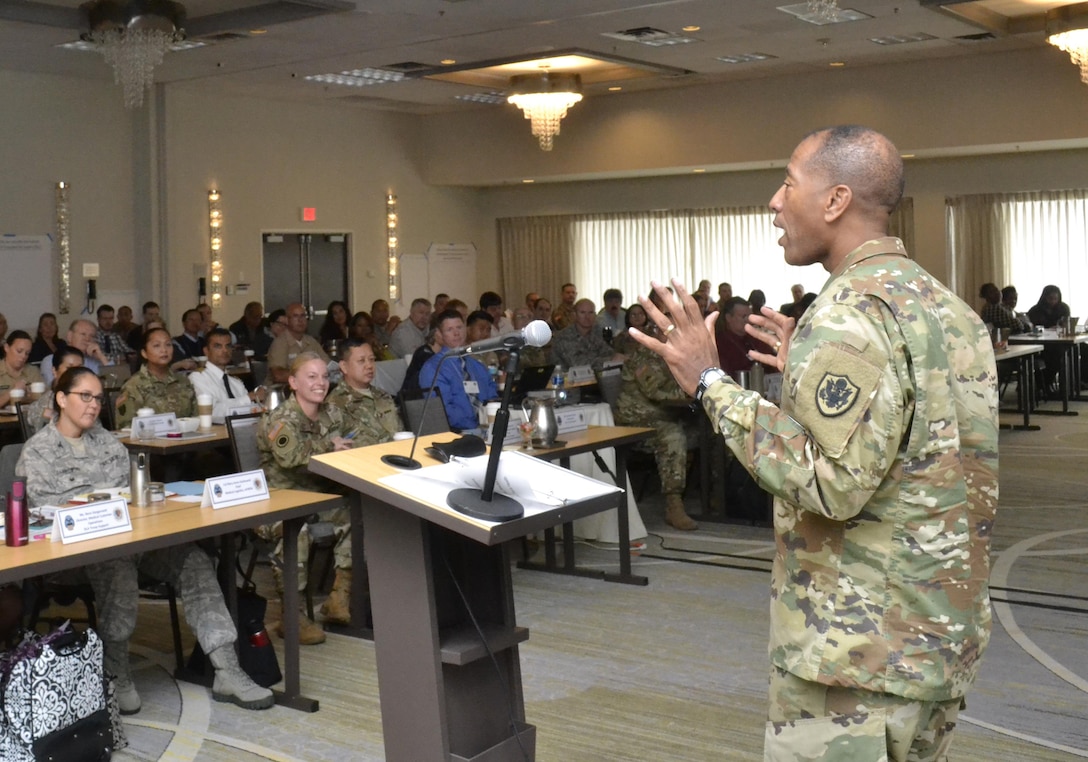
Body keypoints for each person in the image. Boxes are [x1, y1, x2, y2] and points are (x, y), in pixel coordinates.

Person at [631, 125, 998, 761]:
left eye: (788, 183)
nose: (775, 202)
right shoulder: (944, 306)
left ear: (835, 200)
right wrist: (806, 367)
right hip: (935, 634)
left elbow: (830, 482)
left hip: (858, 655)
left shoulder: (849, 311)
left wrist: (710, 382)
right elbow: (919, 449)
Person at [18, 366, 273, 713]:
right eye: (85, 397)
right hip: (75, 555)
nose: (94, 405)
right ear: (61, 399)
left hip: (129, 539)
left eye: (97, 397)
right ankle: (117, 671)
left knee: (194, 561)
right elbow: (45, 514)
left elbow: (132, 494)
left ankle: (226, 667)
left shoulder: (108, 442)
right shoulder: (38, 451)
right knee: (117, 565)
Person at [257, 352, 352, 645]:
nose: (321, 383)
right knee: (295, 530)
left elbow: (349, 443)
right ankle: (292, 614)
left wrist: (339, 448)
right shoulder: (281, 420)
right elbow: (292, 458)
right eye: (312, 377)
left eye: (325, 376)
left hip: (318, 498)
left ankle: (339, 597)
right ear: (293, 383)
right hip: (278, 503)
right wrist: (330, 446)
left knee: (361, 513)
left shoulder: (332, 413)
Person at [324, 340, 404, 625]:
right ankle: (341, 596)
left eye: (371, 360)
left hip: (390, 477)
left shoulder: (384, 397)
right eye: (361, 361)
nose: (370, 366)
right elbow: (333, 455)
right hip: (352, 485)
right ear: (344, 367)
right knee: (361, 515)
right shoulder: (334, 405)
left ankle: (402, 590)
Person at [612, 322, 699, 531]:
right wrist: (692, 396)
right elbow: (656, 392)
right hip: (636, 420)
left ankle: (717, 496)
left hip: (665, 413)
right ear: (654, 331)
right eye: (666, 328)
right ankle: (673, 504)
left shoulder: (675, 354)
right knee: (672, 436)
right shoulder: (644, 356)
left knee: (711, 429)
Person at [419, 310, 498, 436]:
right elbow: (442, 410)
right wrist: (475, 426)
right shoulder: (433, 367)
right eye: (449, 329)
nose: (456, 333)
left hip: (488, 429)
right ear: (439, 334)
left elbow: (492, 396)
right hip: (456, 432)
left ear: (466, 329)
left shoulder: (476, 365)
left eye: (459, 327)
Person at [115, 326, 198, 428]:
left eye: (168, 344)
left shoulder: (183, 381)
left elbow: (196, 417)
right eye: (156, 345)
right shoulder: (133, 386)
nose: (164, 350)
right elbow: (125, 427)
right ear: (144, 353)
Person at [188, 328, 264, 418]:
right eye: (218, 346)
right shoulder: (198, 378)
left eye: (228, 346)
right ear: (206, 351)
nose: (225, 350)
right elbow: (212, 412)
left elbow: (249, 410)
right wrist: (249, 398)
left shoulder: (236, 383)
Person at [24, 346, 84, 435]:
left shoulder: (88, 400)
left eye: (79, 368)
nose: (75, 373)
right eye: (69, 368)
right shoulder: (44, 404)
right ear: (54, 371)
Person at [266, 302, 329, 384]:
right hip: (282, 391)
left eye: (303, 316)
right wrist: (307, 377)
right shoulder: (280, 343)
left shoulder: (311, 341)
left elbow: (327, 365)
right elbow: (278, 375)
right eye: (295, 316)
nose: (300, 320)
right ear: (287, 320)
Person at [551, 298, 621, 370]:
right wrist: (611, 360)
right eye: (582, 313)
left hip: (593, 377)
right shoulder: (564, 336)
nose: (587, 317)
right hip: (564, 379)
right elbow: (578, 364)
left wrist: (615, 358)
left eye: (591, 313)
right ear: (574, 315)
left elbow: (608, 352)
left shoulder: (597, 331)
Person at [715, 297, 774, 379]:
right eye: (743, 316)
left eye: (750, 317)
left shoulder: (755, 337)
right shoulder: (720, 343)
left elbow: (773, 363)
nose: (748, 320)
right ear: (728, 318)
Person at [42, 318, 108, 384]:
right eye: (83, 334)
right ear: (69, 336)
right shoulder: (50, 360)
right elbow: (52, 387)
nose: (87, 339)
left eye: (92, 336)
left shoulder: (94, 362)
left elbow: (113, 382)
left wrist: (102, 357)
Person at [0, 330, 44, 408]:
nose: (23, 356)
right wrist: (13, 392)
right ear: (6, 348)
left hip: (27, 418)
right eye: (19, 351)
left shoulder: (33, 372)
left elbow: (45, 401)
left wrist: (30, 397)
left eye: (27, 353)